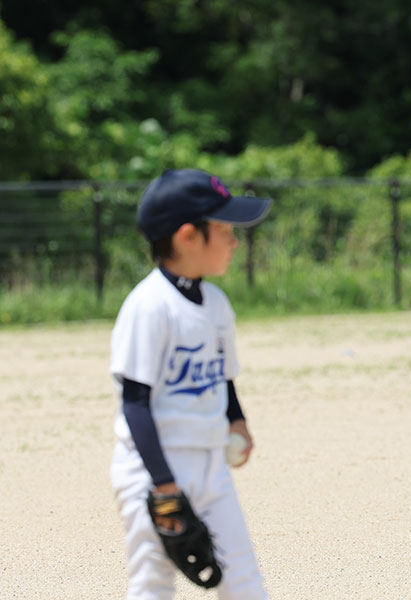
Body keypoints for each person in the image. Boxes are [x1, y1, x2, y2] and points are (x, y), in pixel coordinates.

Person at [109, 168, 272, 598]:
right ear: (187, 237)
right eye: (223, 229)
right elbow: (135, 403)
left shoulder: (217, 304)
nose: (234, 240)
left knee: (243, 578)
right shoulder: (149, 307)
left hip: (210, 464)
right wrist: (163, 486)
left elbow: (224, 378)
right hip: (152, 471)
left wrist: (237, 421)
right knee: (153, 583)